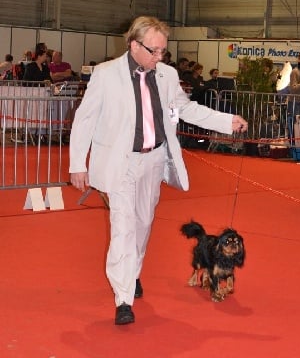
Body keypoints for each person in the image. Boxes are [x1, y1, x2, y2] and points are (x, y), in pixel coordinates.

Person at [69, 16, 248, 326]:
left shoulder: (166, 75)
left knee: (142, 225)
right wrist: (77, 164)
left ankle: (133, 272)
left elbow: (187, 109)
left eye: (163, 51)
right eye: (154, 51)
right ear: (133, 45)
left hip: (153, 163)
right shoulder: (105, 74)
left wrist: (226, 121)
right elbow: (84, 120)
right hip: (120, 163)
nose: (159, 57)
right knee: (123, 229)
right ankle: (123, 297)